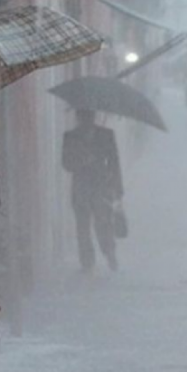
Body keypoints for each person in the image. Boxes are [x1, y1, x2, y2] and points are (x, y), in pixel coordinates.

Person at [62, 109, 123, 272]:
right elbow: (66, 163)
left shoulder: (106, 135)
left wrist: (117, 188)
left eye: (89, 116)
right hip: (80, 188)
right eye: (83, 117)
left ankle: (109, 252)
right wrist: (81, 161)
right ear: (78, 118)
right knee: (82, 227)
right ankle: (87, 262)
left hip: (101, 186)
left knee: (103, 223)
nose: (86, 120)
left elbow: (114, 162)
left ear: (93, 117)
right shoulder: (70, 137)